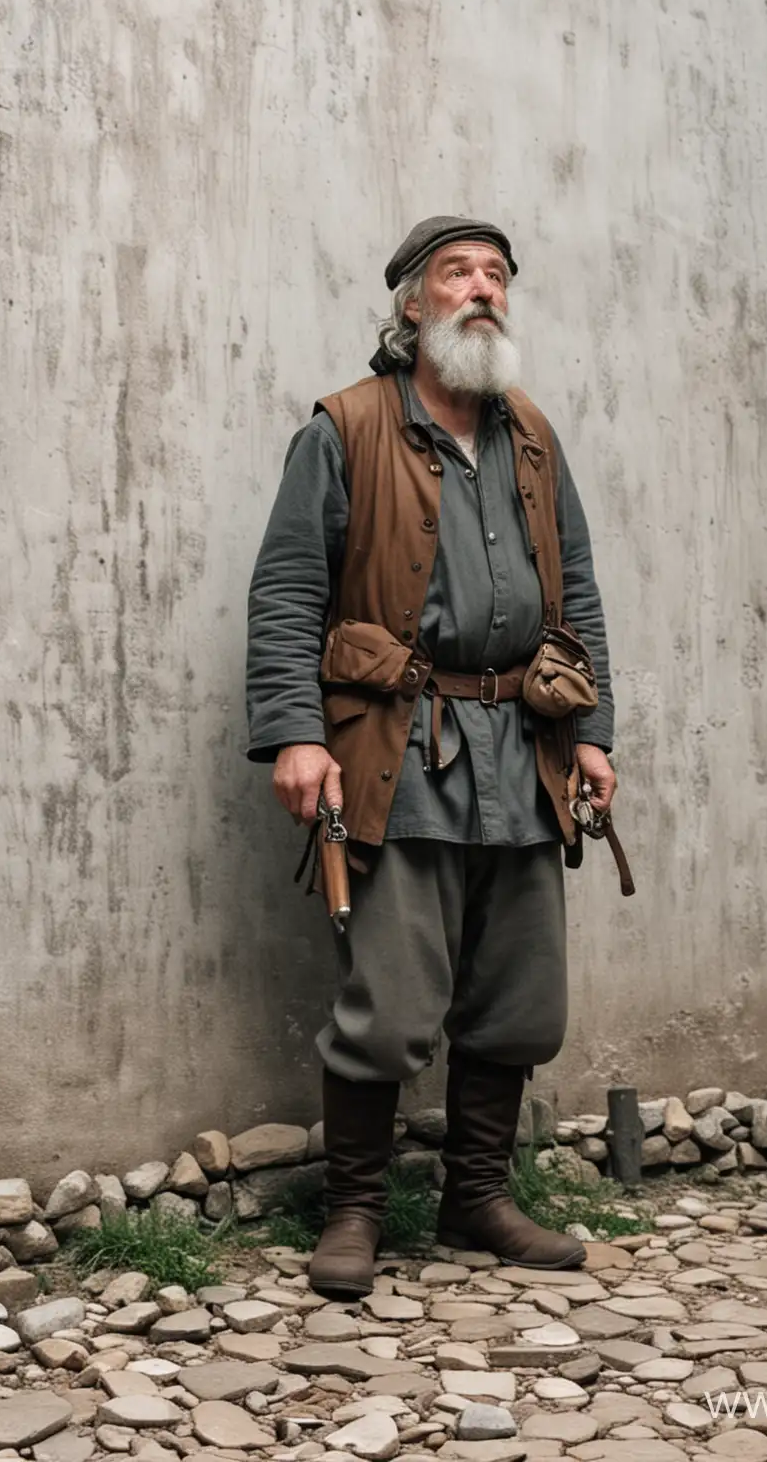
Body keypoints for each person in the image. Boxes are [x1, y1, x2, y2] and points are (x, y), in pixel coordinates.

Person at [245, 214, 618, 1299]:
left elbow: (578, 596)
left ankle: (477, 1200)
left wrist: (593, 737)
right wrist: (296, 734)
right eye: (458, 273)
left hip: (526, 748)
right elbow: (286, 592)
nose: (482, 289)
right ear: (412, 304)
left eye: (497, 274)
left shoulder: (534, 437)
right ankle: (356, 1211)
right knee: (395, 1002)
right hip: (397, 749)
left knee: (520, 998)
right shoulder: (344, 427)